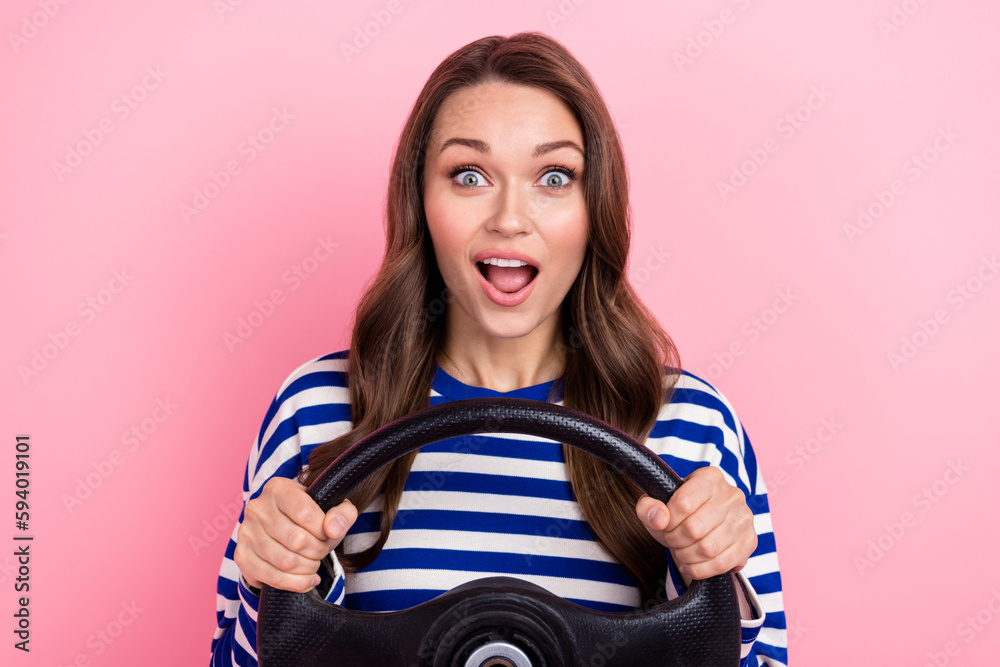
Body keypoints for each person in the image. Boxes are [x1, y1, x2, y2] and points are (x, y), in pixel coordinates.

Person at [209, 31, 787, 666]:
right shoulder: (316, 411)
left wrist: (708, 576)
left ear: (596, 208)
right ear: (420, 201)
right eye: (471, 175)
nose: (510, 217)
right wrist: (279, 582)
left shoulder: (691, 428)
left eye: (554, 176)